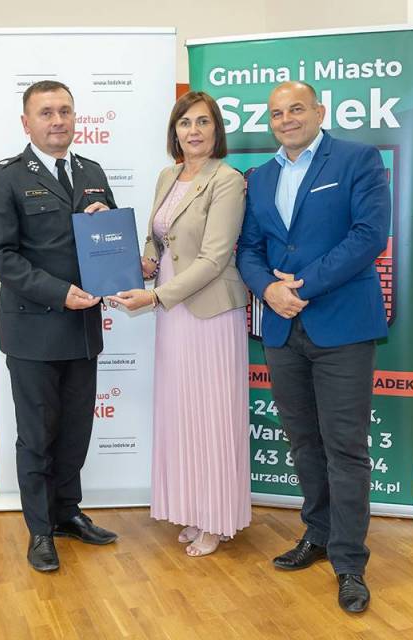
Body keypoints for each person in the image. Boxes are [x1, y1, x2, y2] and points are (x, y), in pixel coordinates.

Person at [236, 81, 390, 613]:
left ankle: (349, 563)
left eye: (296, 109)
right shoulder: (261, 176)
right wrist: (268, 289)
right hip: (282, 329)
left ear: (319, 112)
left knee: (345, 449)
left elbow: (369, 235)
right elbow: (248, 248)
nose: (286, 119)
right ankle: (318, 534)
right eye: (277, 113)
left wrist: (300, 286)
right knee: (304, 442)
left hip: (341, 325)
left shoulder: (357, 159)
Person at [0, 80, 119, 573]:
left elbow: (105, 243)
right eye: (46, 112)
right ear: (26, 122)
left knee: (76, 431)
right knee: (37, 435)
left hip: (83, 329)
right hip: (34, 330)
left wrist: (119, 259)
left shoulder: (92, 172)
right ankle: (40, 530)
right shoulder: (4, 178)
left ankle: (66, 513)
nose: (58, 121)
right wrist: (58, 292)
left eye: (65, 111)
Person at [108, 91, 250, 557]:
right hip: (172, 311)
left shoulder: (227, 180)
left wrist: (155, 295)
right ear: (175, 131)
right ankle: (193, 508)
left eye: (203, 122)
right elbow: (158, 238)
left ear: (216, 129)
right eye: (185, 122)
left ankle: (218, 519)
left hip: (209, 313)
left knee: (213, 416)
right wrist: (146, 261)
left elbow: (214, 258)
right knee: (183, 414)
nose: (194, 130)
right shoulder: (167, 176)